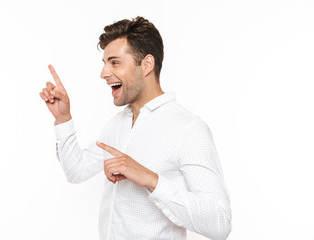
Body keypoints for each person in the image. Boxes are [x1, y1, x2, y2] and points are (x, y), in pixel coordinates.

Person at [39, 16, 231, 240]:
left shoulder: (188, 129)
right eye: (104, 63)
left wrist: (151, 180)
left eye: (114, 62)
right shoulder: (117, 124)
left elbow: (220, 222)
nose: (103, 73)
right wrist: (63, 118)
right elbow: (77, 171)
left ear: (147, 65)